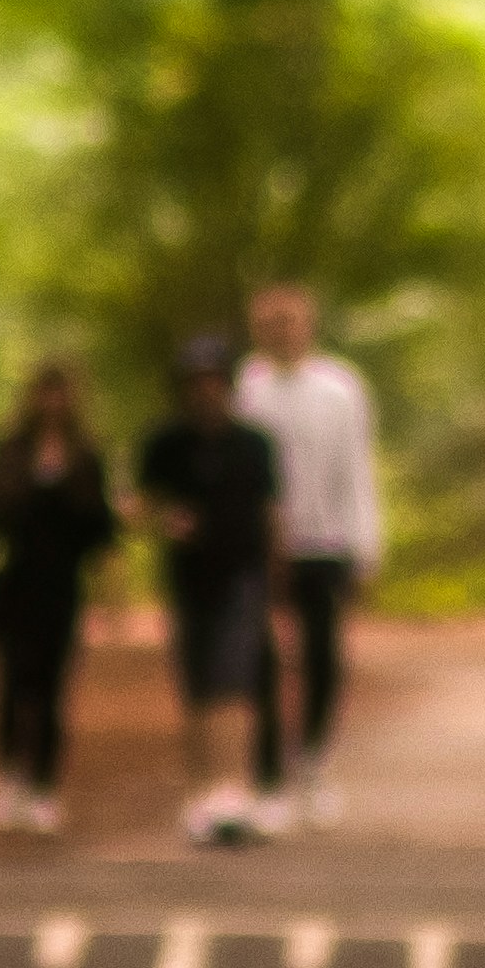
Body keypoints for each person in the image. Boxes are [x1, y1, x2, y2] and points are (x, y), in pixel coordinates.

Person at [129, 336, 289, 847]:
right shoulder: (165, 444)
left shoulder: (253, 444)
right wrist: (164, 520)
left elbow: (273, 514)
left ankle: (234, 790)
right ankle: (201, 792)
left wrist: (277, 580)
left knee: (235, 681)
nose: (205, 391)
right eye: (195, 382)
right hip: (187, 579)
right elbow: (137, 506)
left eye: (214, 381)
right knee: (197, 686)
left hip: (241, 576)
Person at [241, 281, 382, 828]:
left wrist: (365, 546)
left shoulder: (341, 389)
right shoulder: (244, 389)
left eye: (290, 320)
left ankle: (314, 761)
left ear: (309, 324)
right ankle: (268, 774)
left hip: (324, 546)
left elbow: (358, 471)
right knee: (261, 660)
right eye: (270, 322)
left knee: (323, 659)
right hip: (259, 549)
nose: (281, 331)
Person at [0, 360, 118, 834]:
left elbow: (100, 528)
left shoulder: (86, 456)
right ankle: (10, 775)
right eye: (44, 393)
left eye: (60, 393)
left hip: (61, 586)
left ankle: (45, 785)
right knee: (11, 682)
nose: (52, 403)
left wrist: (110, 591)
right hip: (13, 585)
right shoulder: (10, 451)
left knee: (52, 687)